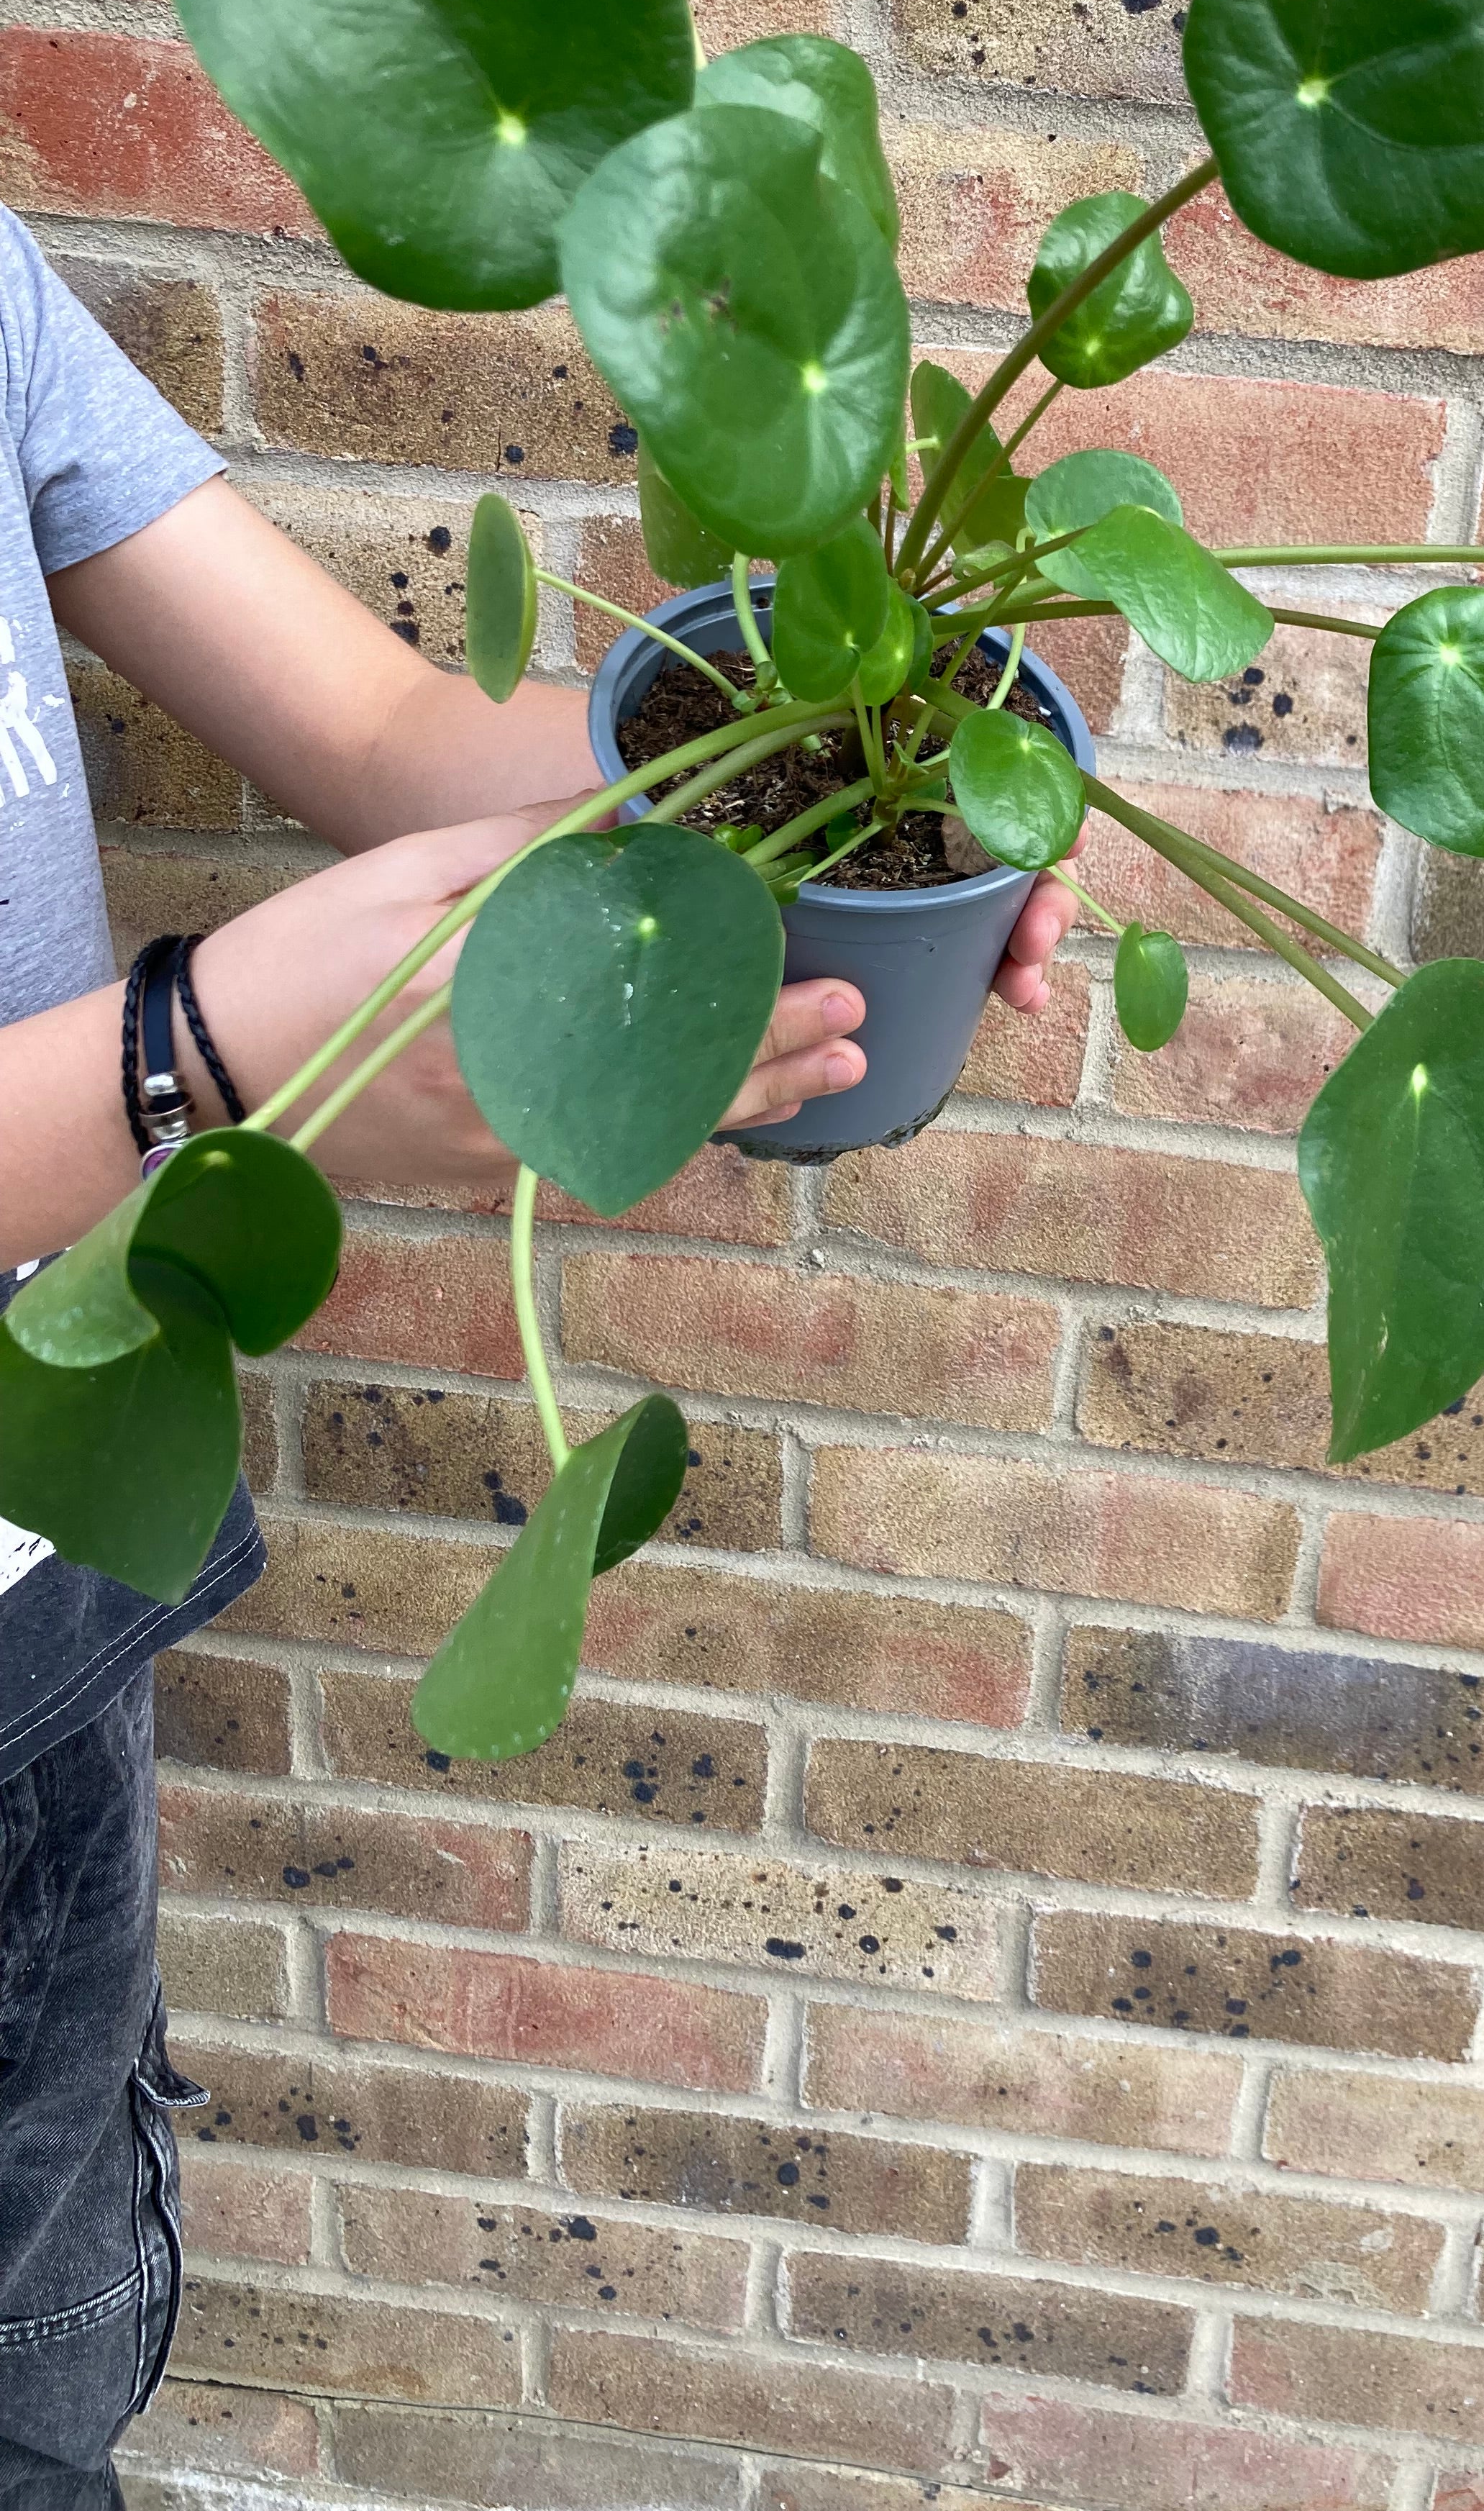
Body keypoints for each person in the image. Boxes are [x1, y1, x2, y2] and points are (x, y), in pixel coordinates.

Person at [0, 204, 1075, 2502]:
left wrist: (842, 819)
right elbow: (194, 1060)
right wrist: (195, 1068)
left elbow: (385, 720)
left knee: (45, 2347)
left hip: (35, 1589)